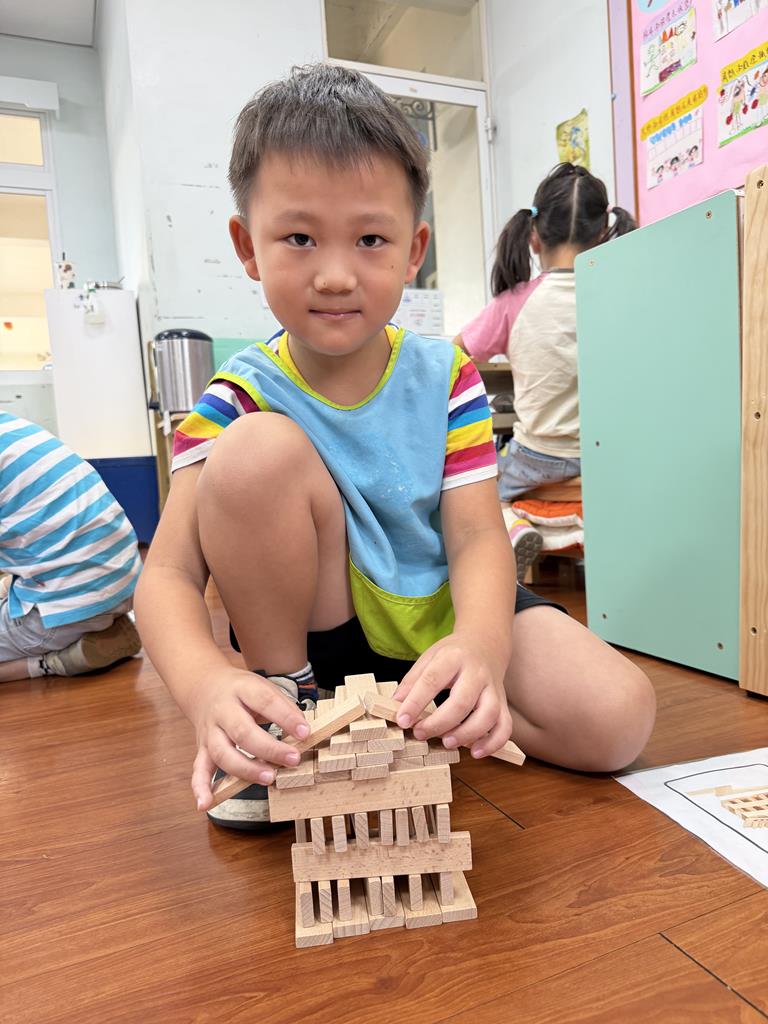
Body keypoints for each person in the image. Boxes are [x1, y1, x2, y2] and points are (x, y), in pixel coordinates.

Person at [134, 64, 655, 832]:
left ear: (414, 250)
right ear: (248, 246)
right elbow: (168, 576)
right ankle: (287, 708)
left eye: (370, 239)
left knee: (619, 718)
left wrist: (482, 647)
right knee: (254, 455)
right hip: (324, 638)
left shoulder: (447, 376)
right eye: (299, 238)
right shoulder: (236, 394)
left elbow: (476, 537)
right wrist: (206, 684)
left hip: (445, 614)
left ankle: (423, 711)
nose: (336, 275)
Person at [455, 163, 636, 577]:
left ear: (533, 237)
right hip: (610, 456)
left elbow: (454, 355)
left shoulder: (515, 302)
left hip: (537, 456)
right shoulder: (621, 295)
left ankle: (515, 528)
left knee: (480, 495)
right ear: (603, 233)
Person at [0, 412, 142, 682]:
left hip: (68, 605)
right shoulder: (13, 427)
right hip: (124, 584)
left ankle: (53, 662)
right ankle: (95, 629)